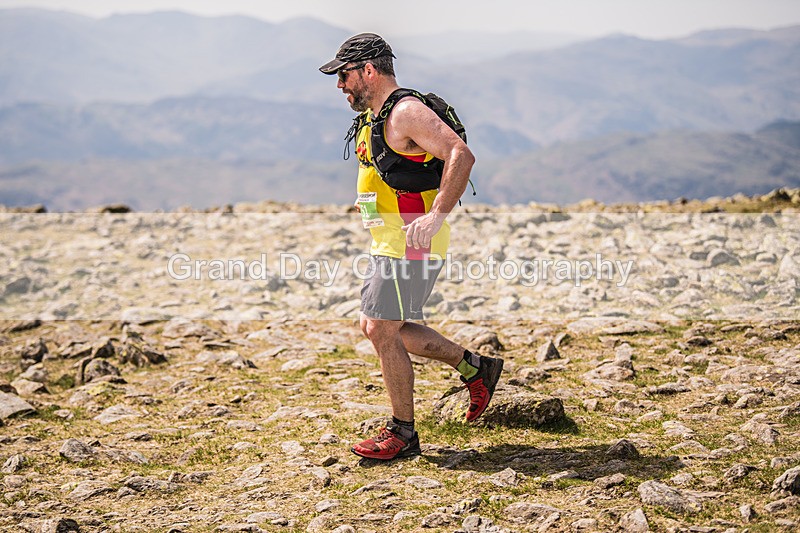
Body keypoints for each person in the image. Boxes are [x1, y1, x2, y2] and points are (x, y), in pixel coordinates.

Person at [320, 33, 503, 461]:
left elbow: (460, 153)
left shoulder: (405, 112)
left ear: (368, 70)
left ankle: (403, 433)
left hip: (412, 243)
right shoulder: (377, 114)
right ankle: (476, 368)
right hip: (390, 240)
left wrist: (437, 212)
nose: (340, 85)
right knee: (385, 327)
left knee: (381, 327)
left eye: (344, 75)